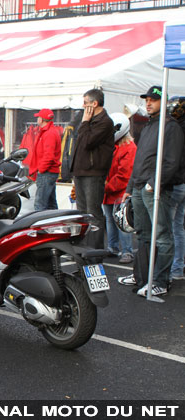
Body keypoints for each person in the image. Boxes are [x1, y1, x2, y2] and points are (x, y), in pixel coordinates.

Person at [118, 86, 184, 297]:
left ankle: (161, 282)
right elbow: (139, 160)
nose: (148, 103)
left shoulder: (170, 127)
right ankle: (141, 277)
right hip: (139, 187)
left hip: (154, 188)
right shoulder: (148, 126)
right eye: (147, 99)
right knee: (143, 235)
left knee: (163, 236)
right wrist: (130, 187)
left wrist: (153, 184)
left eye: (153, 100)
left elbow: (171, 161)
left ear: (162, 102)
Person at [70, 88, 115, 250]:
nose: (83, 106)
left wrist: (85, 122)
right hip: (81, 171)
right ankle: (82, 247)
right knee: (81, 212)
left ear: (94, 104)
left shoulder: (105, 122)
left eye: (85, 102)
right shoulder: (89, 121)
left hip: (93, 172)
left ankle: (95, 249)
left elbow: (88, 141)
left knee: (93, 212)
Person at [103, 113, 137, 264]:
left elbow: (124, 175)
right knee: (111, 220)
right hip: (111, 190)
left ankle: (127, 251)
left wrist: (105, 187)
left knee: (122, 221)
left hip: (119, 191)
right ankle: (113, 247)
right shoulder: (115, 146)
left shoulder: (129, 148)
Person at [166, 96, 185, 281]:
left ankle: (172, 269)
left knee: (169, 229)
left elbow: (172, 161)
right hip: (182, 183)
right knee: (178, 228)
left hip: (177, 183)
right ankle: (178, 268)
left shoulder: (176, 130)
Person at [29, 109, 61, 211]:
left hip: (47, 172)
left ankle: (40, 227)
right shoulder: (50, 131)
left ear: (42, 119)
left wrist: (41, 169)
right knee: (51, 205)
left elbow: (48, 156)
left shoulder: (49, 133)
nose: (37, 119)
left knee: (40, 205)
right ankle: (54, 225)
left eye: (38, 117)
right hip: (49, 172)